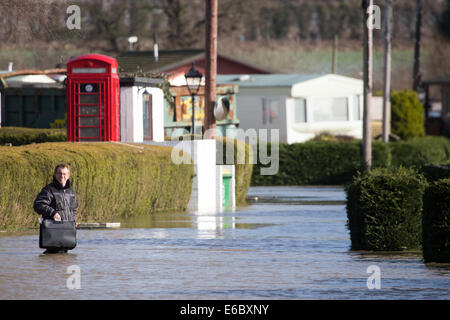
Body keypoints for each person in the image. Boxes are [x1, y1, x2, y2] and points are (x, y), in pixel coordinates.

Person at [34, 163, 78, 253]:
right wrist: (53, 213)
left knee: (65, 260)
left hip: (66, 235)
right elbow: (38, 205)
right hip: (52, 234)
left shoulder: (71, 192)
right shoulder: (48, 190)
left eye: (64, 174)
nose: (62, 176)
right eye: (59, 173)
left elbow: (73, 209)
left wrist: (73, 221)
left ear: (68, 175)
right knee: (52, 257)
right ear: (54, 174)